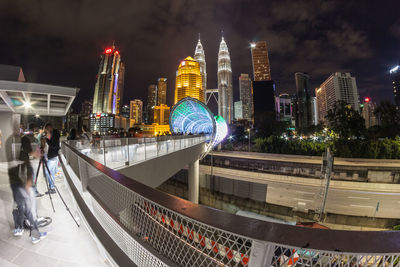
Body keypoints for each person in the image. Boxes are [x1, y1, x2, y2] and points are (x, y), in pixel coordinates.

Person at [9, 123, 47, 243]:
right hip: (23, 183)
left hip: (14, 181)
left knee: (17, 205)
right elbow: (28, 161)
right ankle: (35, 235)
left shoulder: (12, 145)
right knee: (29, 208)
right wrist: (29, 181)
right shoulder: (24, 146)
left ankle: (18, 228)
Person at [43, 123, 60, 194]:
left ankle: (52, 187)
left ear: (50, 127)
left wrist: (46, 140)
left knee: (47, 172)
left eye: (47, 130)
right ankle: (52, 188)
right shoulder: (55, 133)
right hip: (54, 156)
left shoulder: (55, 134)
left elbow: (53, 146)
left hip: (53, 156)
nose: (47, 132)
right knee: (52, 172)